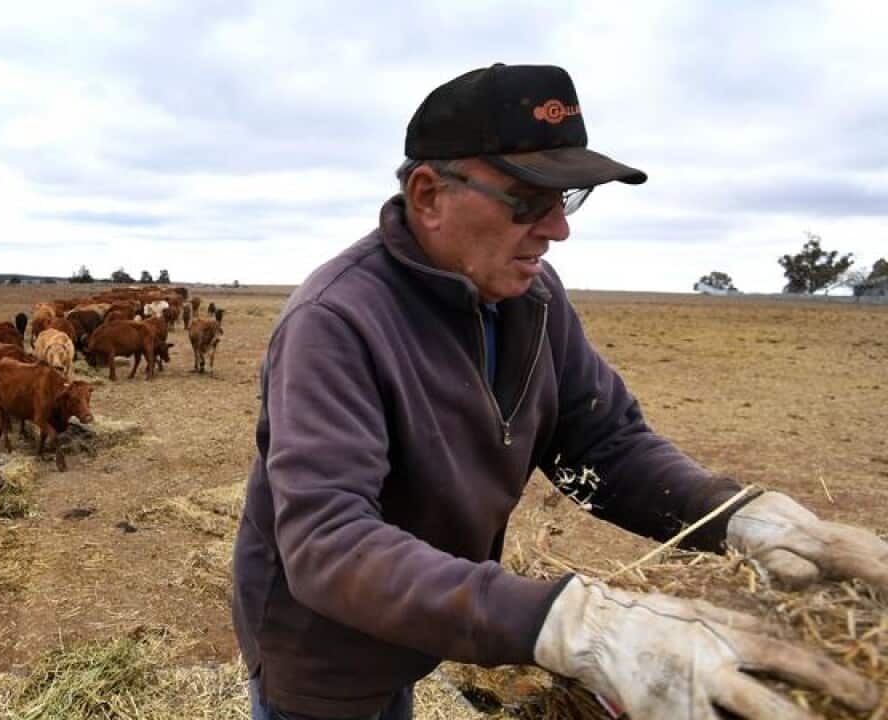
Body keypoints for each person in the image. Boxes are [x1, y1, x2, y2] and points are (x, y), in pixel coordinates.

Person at [231, 63, 886, 720]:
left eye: (566, 200)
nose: (557, 229)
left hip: (419, 621)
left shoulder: (532, 299)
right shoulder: (337, 322)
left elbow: (603, 445)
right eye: (527, 200)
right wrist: (573, 623)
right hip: (323, 652)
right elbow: (329, 543)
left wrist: (741, 519)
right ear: (428, 195)